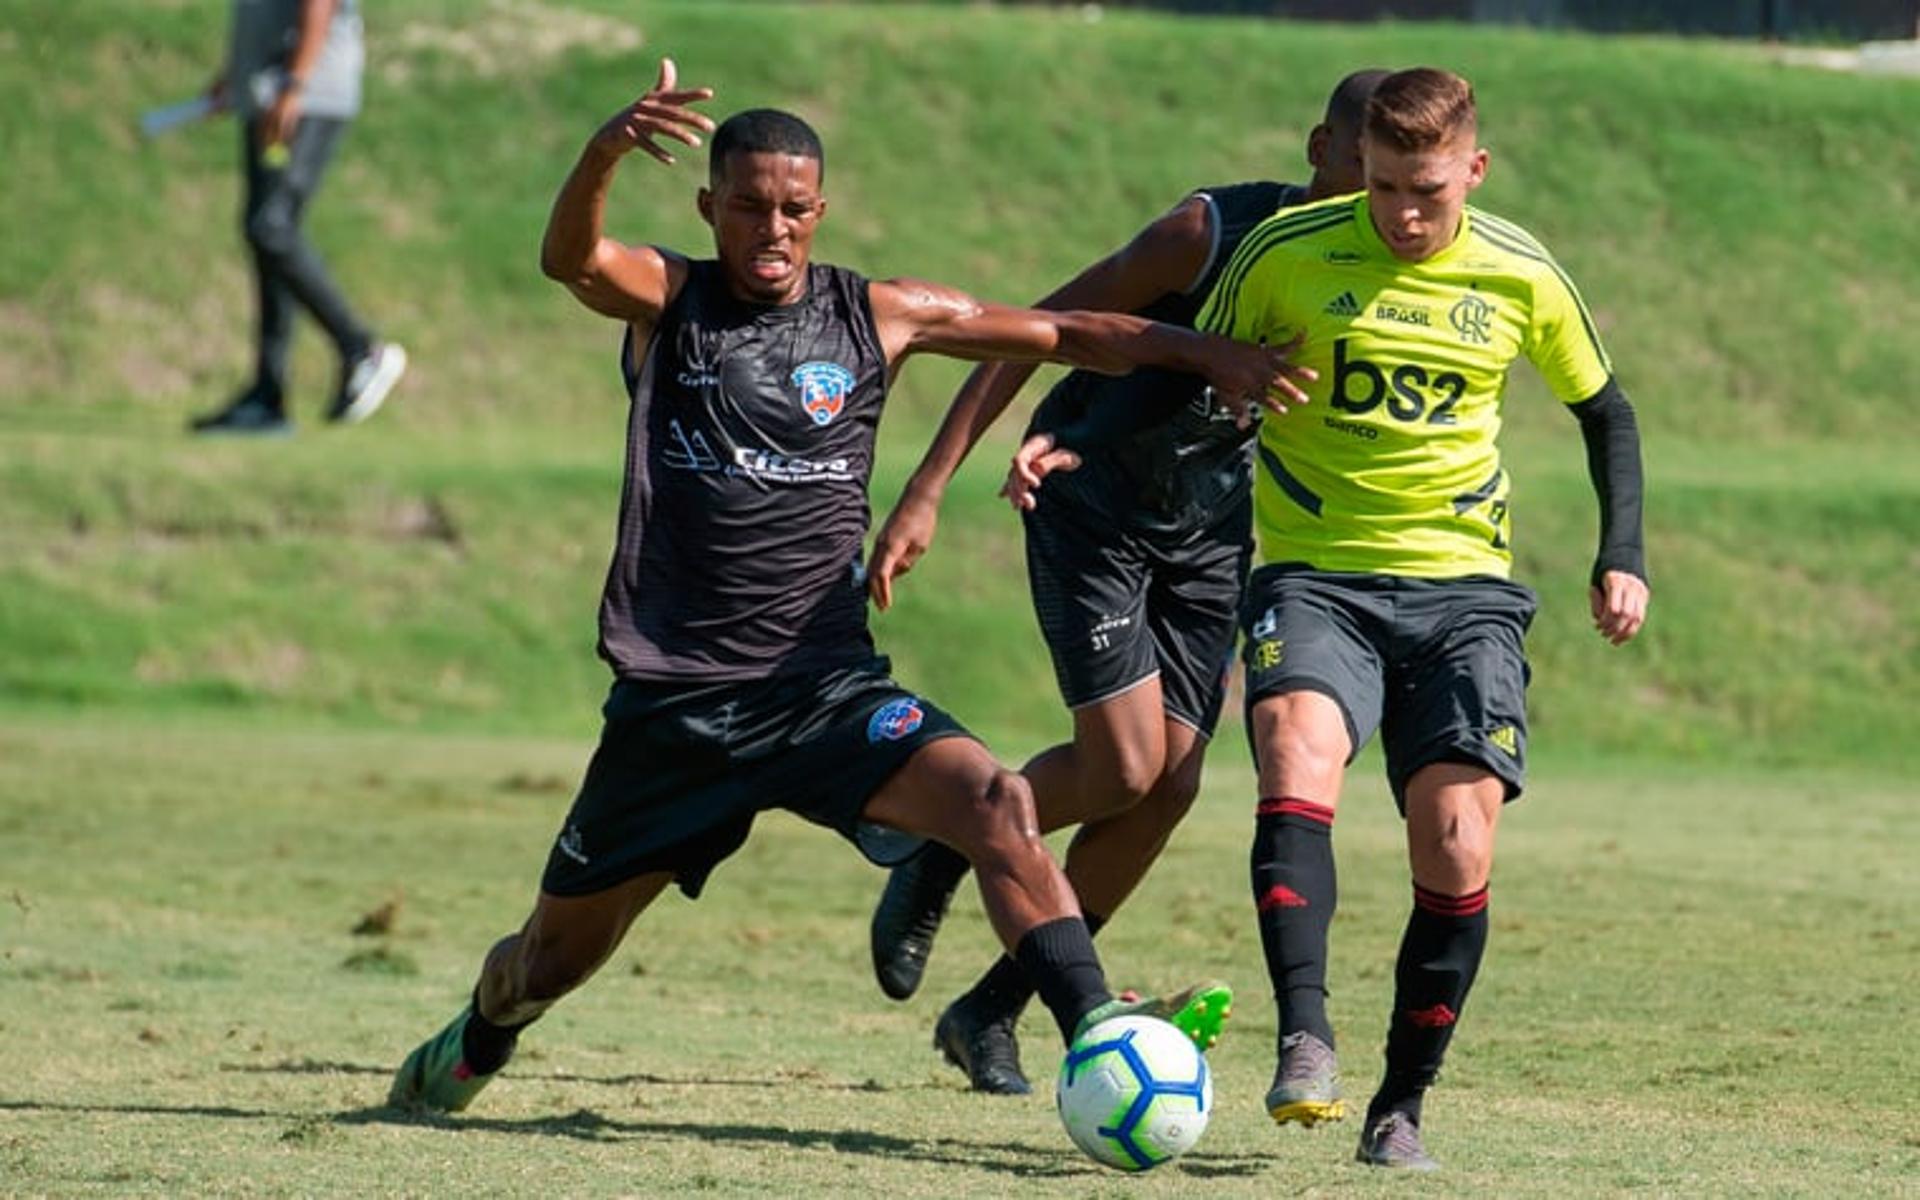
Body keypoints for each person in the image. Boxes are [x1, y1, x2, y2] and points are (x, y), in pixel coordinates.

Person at [386, 60, 1316, 1126]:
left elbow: (1064, 333)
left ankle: (1098, 1037)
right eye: (747, 208)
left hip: (825, 690)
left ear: (819, 210)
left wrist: (1206, 355)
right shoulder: (670, 300)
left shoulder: (880, 314)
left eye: (793, 210)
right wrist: (601, 153)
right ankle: (482, 1033)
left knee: (996, 805)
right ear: (709, 207)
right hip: (676, 709)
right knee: (547, 960)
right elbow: (571, 260)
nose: (771, 230)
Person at [863, 71, 1387, 1098]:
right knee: (1123, 768)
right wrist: (927, 488)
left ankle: (988, 1011)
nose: (1382, 202)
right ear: (1320, 146)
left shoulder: (1386, 265)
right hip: (1093, 510)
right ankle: (955, 836)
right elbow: (1029, 330)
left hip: (1209, 536)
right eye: (1365, 173)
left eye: (1402, 183)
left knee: (1171, 789)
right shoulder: (1207, 232)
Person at [1192, 67, 1650, 1169]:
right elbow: (1196, 369)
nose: (1405, 212)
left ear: (1474, 172)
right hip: (1315, 575)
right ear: (1359, 166)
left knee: (1455, 841)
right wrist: (1088, 431)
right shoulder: (1287, 253)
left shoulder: (1519, 269)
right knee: (1294, 752)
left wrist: (1620, 554)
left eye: (1429, 191)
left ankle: (1401, 1105)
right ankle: (1305, 1034)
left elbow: (1605, 410)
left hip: (1465, 592)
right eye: (1387, 184)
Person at [192, 0, 406, 434]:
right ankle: (267, 397)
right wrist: (235, 74)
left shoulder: (298, 87)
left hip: (306, 95)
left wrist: (295, 84)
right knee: (265, 236)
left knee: (270, 228)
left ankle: (362, 349)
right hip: (270, 93)